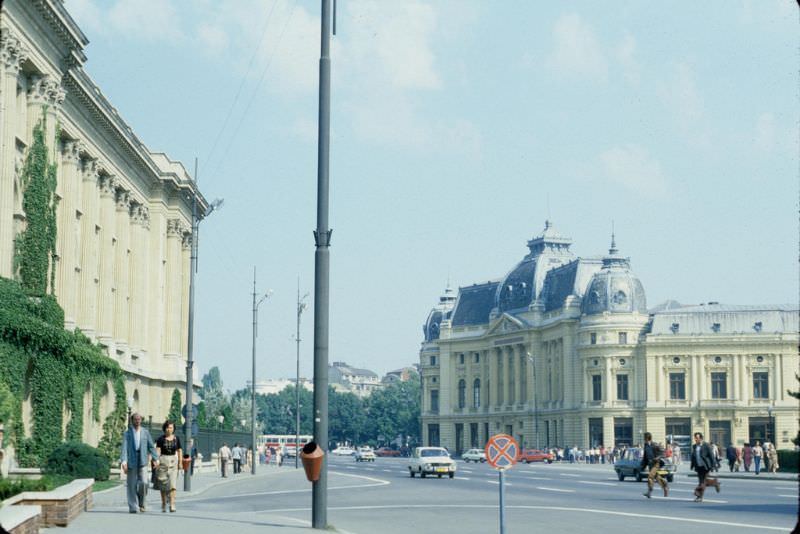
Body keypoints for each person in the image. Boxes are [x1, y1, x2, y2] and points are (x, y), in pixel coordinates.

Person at [120, 413, 159, 513]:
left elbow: (151, 446)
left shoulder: (145, 432)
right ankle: (133, 507)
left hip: (143, 459)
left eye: (139, 419)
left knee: (144, 483)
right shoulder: (127, 433)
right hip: (131, 460)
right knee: (131, 484)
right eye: (135, 419)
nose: (137, 421)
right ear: (132, 420)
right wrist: (124, 462)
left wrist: (156, 459)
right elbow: (124, 448)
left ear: (141, 420)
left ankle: (142, 502)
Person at [155, 420, 182, 513]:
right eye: (167, 427)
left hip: (174, 462)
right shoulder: (160, 439)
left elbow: (179, 451)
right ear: (164, 428)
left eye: (170, 427)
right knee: (163, 485)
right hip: (163, 462)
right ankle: (163, 503)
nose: (168, 429)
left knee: (172, 485)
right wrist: (157, 461)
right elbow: (158, 451)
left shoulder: (176, 438)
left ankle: (172, 504)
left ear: (173, 429)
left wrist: (180, 463)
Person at [690, 432, 720, 502]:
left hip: (705, 466)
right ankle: (715, 483)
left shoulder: (706, 445)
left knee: (702, 482)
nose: (695, 439)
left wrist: (713, 466)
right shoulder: (694, 446)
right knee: (703, 482)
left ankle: (699, 497)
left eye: (697, 438)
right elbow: (693, 456)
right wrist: (692, 465)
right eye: (695, 438)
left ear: (701, 438)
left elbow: (711, 456)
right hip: (698, 466)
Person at [640, 432, 668, 498]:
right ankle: (665, 486)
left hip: (656, 463)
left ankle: (649, 491)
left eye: (644, 437)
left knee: (650, 476)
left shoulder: (655, 445)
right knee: (657, 477)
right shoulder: (646, 445)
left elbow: (662, 453)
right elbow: (645, 456)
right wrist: (643, 465)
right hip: (650, 464)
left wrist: (657, 458)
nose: (643, 438)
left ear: (647, 438)